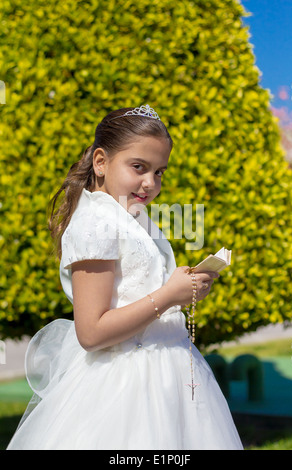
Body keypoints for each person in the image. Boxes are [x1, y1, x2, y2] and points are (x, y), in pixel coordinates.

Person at [7, 105, 243, 450]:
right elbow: (91, 332)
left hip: (167, 377)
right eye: (139, 167)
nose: (151, 183)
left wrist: (183, 285)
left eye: (160, 172)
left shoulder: (132, 217)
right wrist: (168, 297)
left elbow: (138, 289)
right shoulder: (95, 224)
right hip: (124, 388)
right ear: (101, 162)